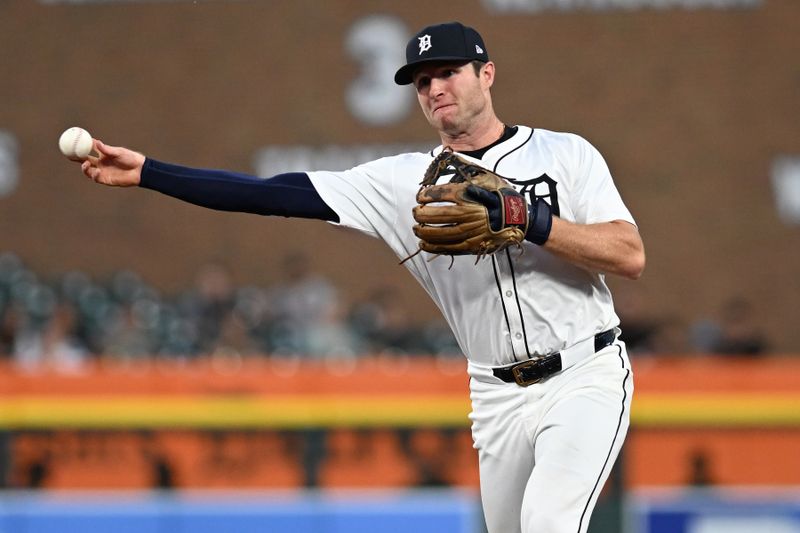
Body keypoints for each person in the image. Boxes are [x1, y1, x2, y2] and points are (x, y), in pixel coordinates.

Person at [74, 21, 645, 533]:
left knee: (549, 524)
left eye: (447, 72)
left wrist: (529, 219)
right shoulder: (402, 183)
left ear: (487, 74)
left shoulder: (566, 154)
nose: (435, 89)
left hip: (583, 371)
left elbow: (628, 256)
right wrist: (150, 172)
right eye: (422, 82)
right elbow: (272, 195)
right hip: (495, 393)